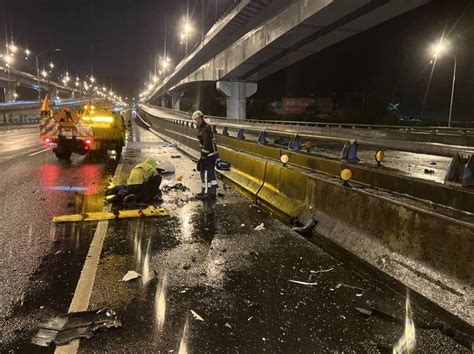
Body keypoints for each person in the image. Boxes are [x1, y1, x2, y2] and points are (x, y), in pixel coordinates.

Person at [192, 110, 219, 199]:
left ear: (200, 118)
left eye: (197, 119)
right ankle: (211, 192)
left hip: (209, 155)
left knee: (206, 173)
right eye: (195, 120)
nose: (196, 121)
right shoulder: (202, 128)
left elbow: (207, 143)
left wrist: (203, 156)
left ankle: (206, 193)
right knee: (208, 172)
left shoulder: (204, 129)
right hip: (210, 154)